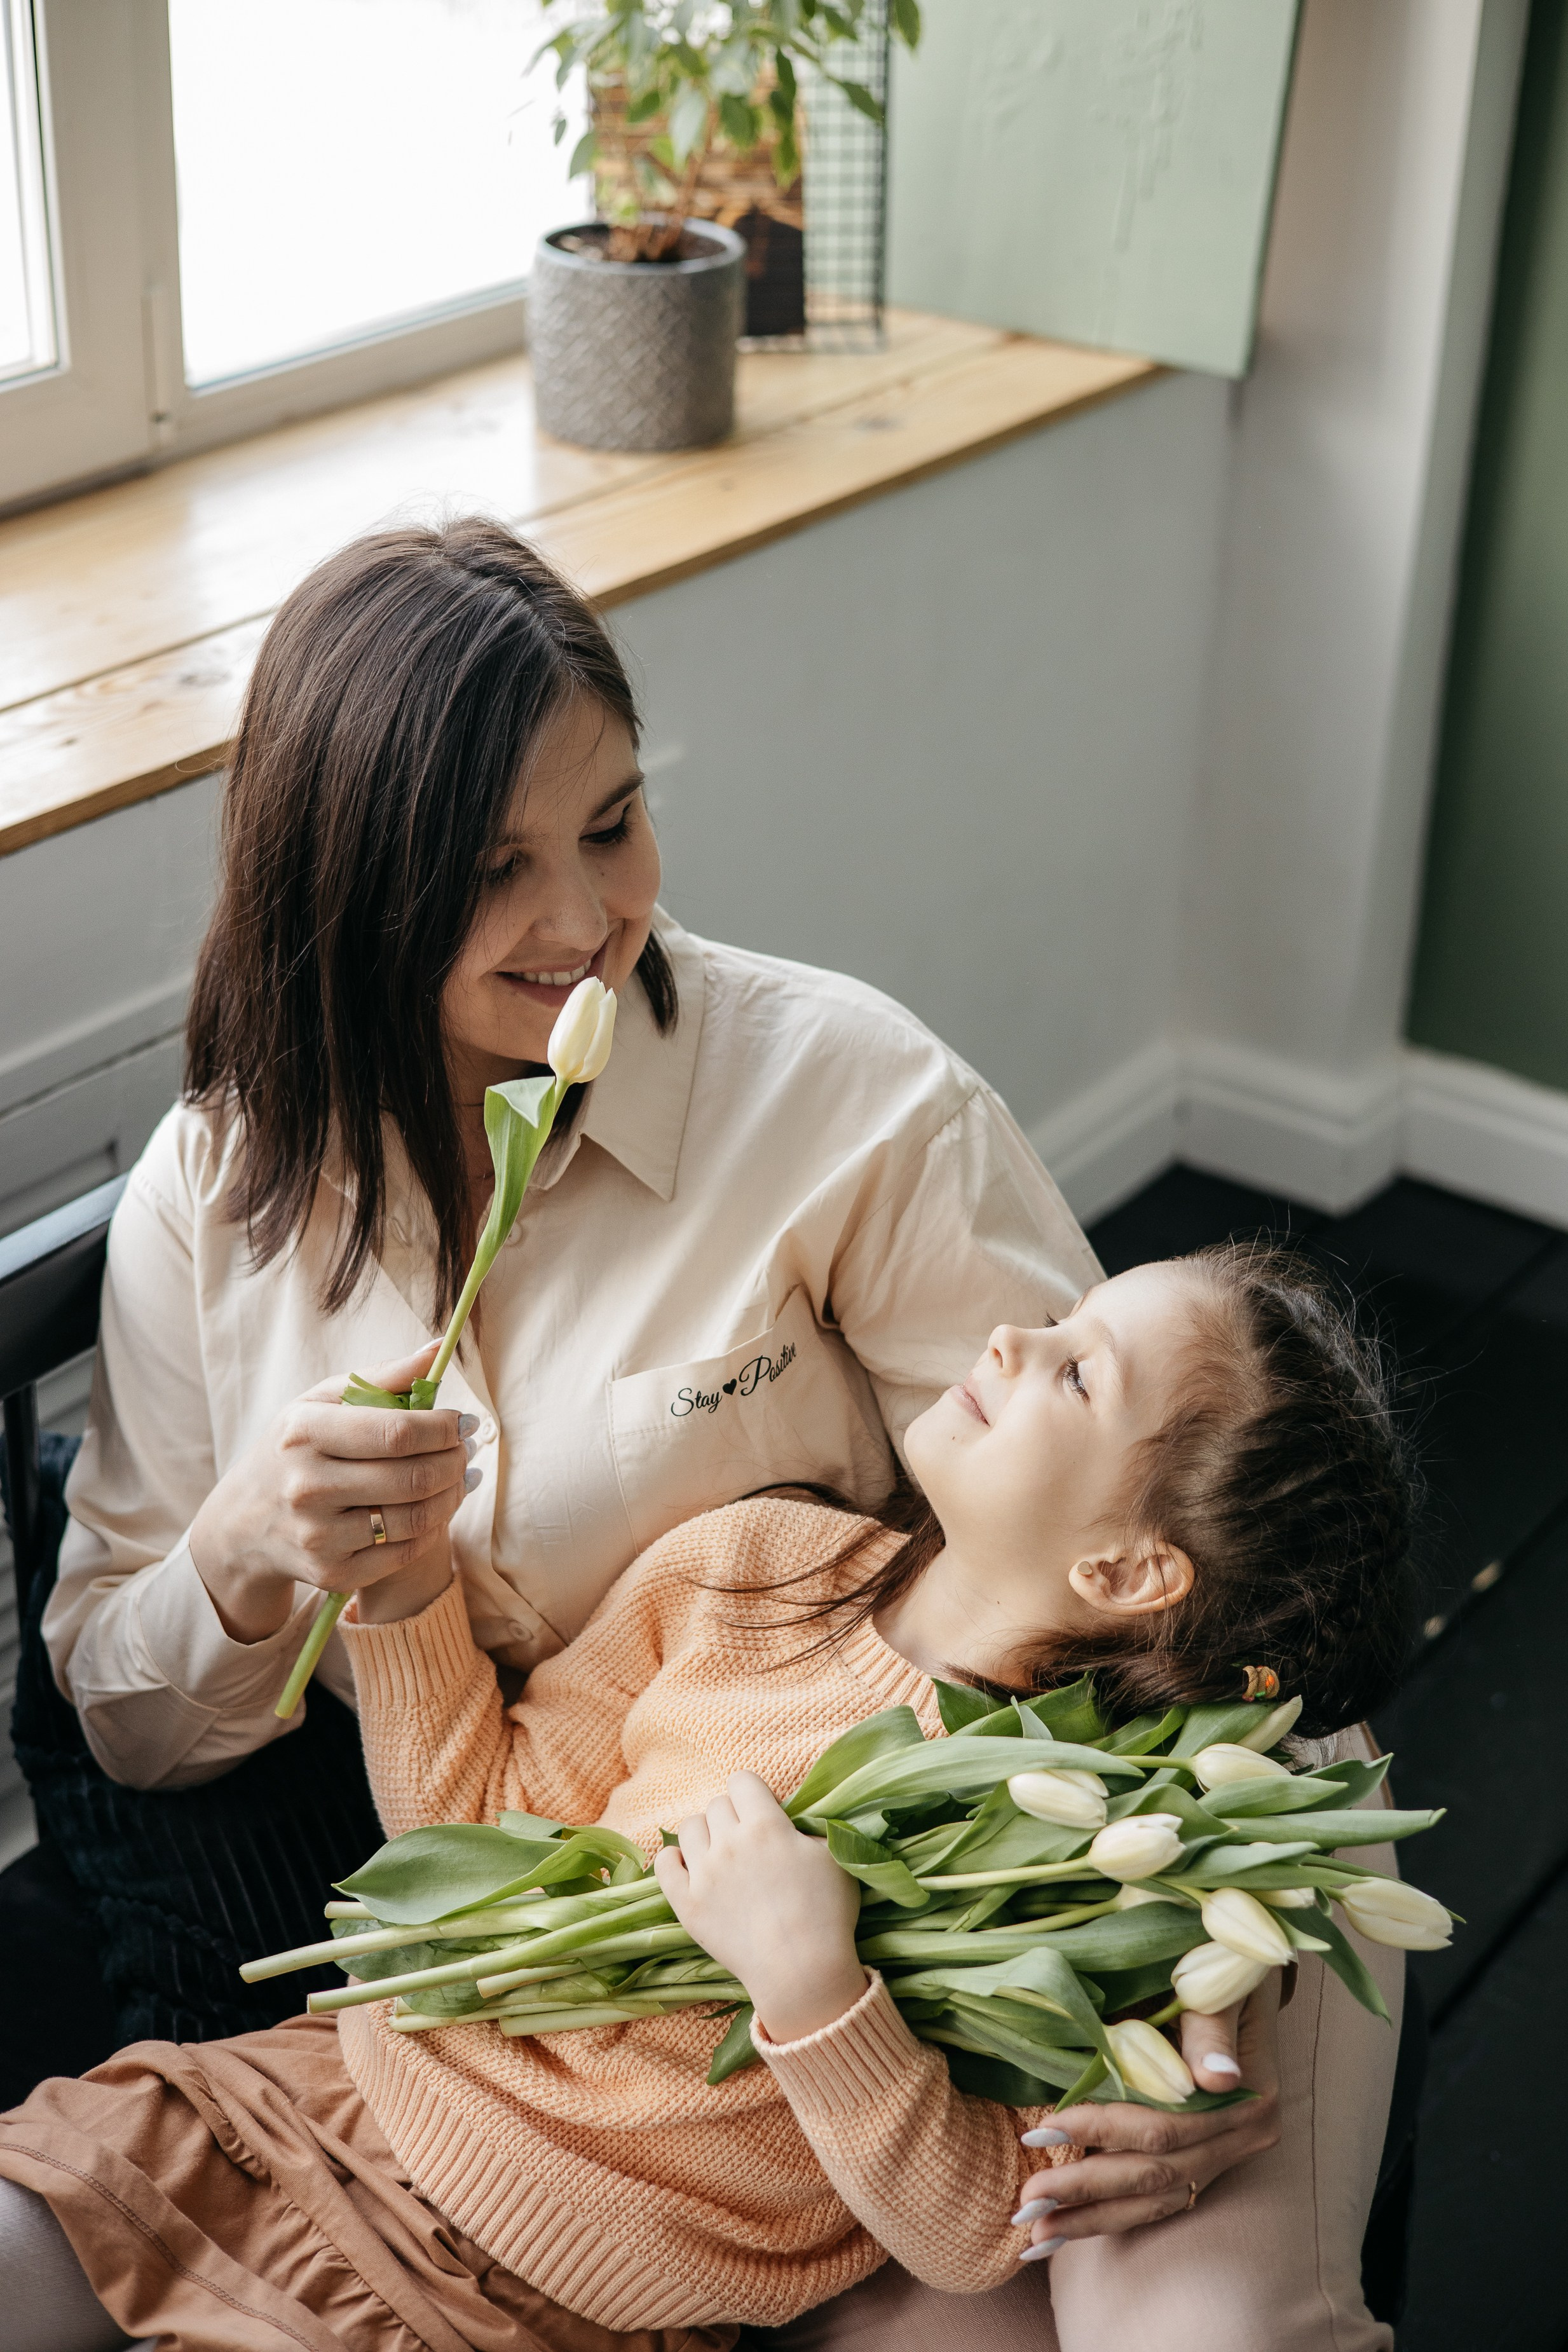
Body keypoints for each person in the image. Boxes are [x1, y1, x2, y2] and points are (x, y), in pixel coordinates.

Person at [25, 521, 1292, 2342]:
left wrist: (1204, 1987)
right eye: (491, 870)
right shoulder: (214, 1193)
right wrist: (242, 1553)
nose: (583, 920)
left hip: (765, 1954)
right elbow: (129, 1726)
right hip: (384, 1881)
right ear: (343, 889)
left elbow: (1151, 1538)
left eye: (612, 824)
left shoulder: (853, 1103)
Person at [0, 1245, 1415, 2352]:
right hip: (325, 2091)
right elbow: (475, 1832)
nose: (1010, 1336)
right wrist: (407, 1589)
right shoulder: (756, 1562)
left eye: (1074, 1372)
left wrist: (817, 1988)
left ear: (1124, 1571)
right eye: (1064, 1316)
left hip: (540, 2303)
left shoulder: (1081, 1854)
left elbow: (982, 2220)